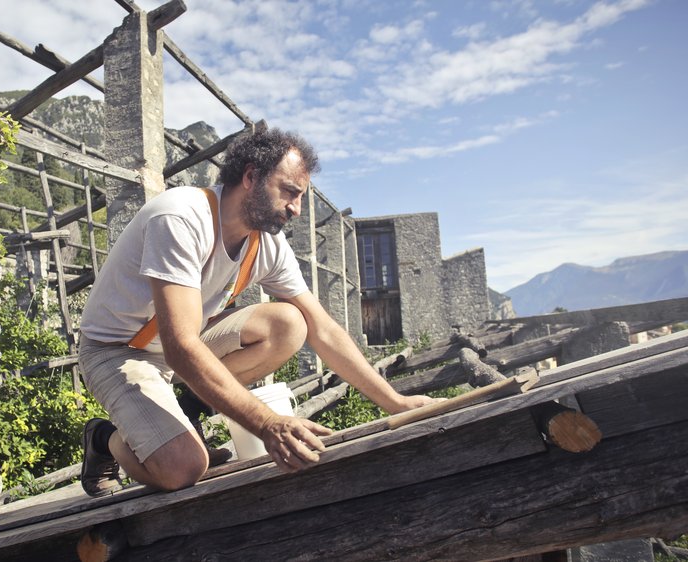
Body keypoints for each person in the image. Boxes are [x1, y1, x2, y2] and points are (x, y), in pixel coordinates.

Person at [77, 128, 440, 497]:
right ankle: (105, 439)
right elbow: (181, 348)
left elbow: (323, 330)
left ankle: (186, 410)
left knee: (290, 324)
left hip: (181, 344)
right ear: (251, 177)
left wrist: (396, 402)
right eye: (290, 192)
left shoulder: (267, 244)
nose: (296, 209)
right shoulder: (181, 217)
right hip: (119, 350)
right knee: (182, 468)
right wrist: (268, 424)